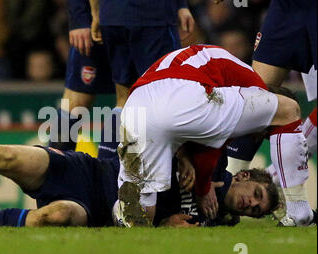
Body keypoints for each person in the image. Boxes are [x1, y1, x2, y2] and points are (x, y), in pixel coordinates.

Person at [0, 110, 280, 228]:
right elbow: (168, 128)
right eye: (256, 196)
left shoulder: (215, 226)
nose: (251, 205)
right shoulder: (212, 159)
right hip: (90, 171)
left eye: (256, 211)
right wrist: (181, 159)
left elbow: (155, 234)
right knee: (5, 155)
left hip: (93, 210)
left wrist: (169, 228)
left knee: (55, 216)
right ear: (246, 176)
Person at [115, 44, 308, 227]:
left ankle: (114, 213)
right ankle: (299, 212)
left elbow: (189, 125)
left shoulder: (227, 94)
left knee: (140, 215)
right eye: (267, 134)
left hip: (137, 106)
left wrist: (183, 156)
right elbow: (210, 147)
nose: (257, 138)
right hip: (182, 91)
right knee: (289, 110)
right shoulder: (255, 89)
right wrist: (203, 188)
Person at [224, 0, 317, 226]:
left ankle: (293, 204)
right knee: (256, 98)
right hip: (286, 9)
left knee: (261, 101)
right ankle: (223, 200)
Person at [89, 0, 195, 123]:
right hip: (153, 17)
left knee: (124, 97)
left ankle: (108, 142)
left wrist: (96, 14)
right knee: (164, 97)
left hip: (113, 16)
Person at [48, 0, 116, 152]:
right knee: (75, 102)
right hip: (95, 24)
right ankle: (55, 168)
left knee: (133, 100)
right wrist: (79, 19)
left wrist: (179, 7)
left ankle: (114, 169)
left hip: (142, 22)